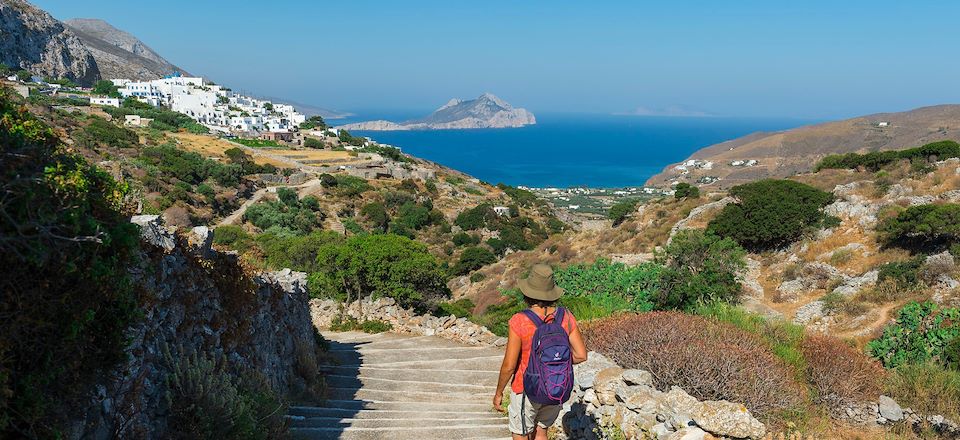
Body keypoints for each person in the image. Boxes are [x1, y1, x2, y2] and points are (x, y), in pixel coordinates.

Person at [493, 264, 588, 440]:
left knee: (521, 434)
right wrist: (553, 363)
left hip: (526, 387)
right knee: (541, 430)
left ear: (527, 292)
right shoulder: (566, 316)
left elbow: (509, 365)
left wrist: (499, 392)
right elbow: (581, 355)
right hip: (555, 384)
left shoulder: (519, 320)